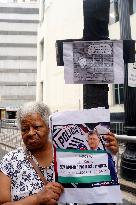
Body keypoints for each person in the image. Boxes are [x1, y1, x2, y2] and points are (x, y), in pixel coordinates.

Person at [0, 102, 64, 205]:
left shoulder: (66, 156)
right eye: (25, 129)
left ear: (49, 127)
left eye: (36, 127)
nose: (30, 133)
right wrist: (37, 199)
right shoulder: (10, 161)